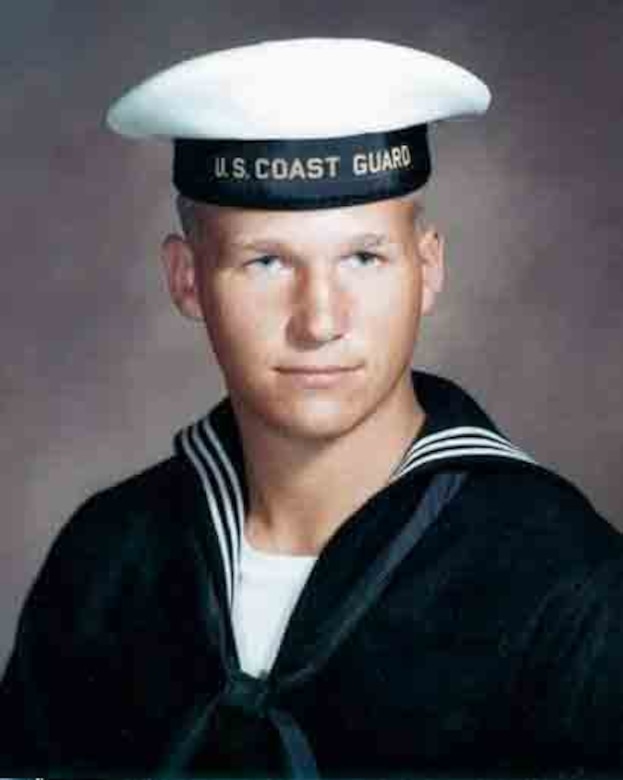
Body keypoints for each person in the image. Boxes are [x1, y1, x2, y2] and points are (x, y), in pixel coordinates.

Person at [1, 37, 622, 779]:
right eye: (265, 262)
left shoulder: (564, 580)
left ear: (426, 270)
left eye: (363, 257)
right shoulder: (107, 561)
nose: (319, 320)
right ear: (188, 279)